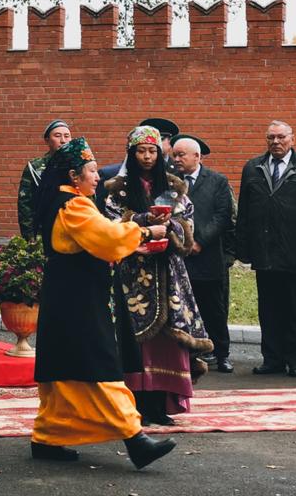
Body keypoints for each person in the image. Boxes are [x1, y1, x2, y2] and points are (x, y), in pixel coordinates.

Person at [29, 136, 176, 469]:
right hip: (78, 301)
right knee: (100, 366)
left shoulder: (59, 200)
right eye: (92, 171)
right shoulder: (75, 205)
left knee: (62, 368)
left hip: (62, 297)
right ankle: (135, 438)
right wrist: (146, 232)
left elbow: (99, 235)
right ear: (73, 176)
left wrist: (126, 233)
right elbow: (108, 239)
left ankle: (48, 436)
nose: (97, 177)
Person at [102, 126, 213, 425]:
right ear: (132, 153)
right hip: (132, 274)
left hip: (168, 273)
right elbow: (111, 225)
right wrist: (142, 221)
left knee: (167, 340)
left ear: (160, 153)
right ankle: (134, 405)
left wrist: (170, 228)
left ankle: (161, 405)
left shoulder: (176, 188)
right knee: (134, 341)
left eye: (152, 151)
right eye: (141, 151)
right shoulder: (117, 189)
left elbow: (187, 226)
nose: (147, 156)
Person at [237, 120, 296, 377]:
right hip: (264, 251)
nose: (276, 142)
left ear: (292, 139)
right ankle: (272, 359)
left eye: (281, 137)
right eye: (271, 137)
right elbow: (244, 212)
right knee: (268, 308)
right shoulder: (253, 167)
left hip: (295, 252)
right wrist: (244, 249)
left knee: (294, 308)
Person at [171, 135, 236, 373]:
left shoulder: (217, 180)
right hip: (179, 256)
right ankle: (189, 354)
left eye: (181, 155)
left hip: (208, 256)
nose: (176, 159)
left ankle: (222, 354)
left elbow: (222, 215)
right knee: (183, 308)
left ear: (197, 157)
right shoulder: (170, 181)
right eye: (174, 155)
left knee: (213, 308)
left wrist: (199, 242)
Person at [17, 119, 72, 240]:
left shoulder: (79, 165)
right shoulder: (35, 167)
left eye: (67, 136)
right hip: (44, 230)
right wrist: (30, 237)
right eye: (57, 136)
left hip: (73, 229)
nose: (63, 140)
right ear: (47, 140)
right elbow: (25, 204)